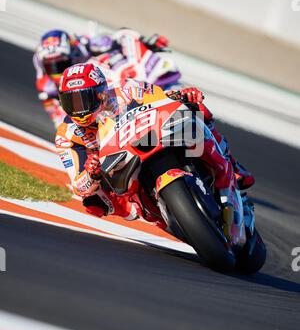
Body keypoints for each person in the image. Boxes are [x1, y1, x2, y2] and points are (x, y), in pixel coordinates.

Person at [55, 62, 254, 227]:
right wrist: (92, 173)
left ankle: (230, 164)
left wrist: (184, 96)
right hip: (118, 170)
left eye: (83, 100)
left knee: (196, 109)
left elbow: (164, 99)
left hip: (146, 139)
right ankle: (153, 209)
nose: (78, 109)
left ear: (100, 93)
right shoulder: (67, 134)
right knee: (93, 202)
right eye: (70, 102)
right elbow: (79, 186)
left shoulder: (127, 91)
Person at [34, 28, 179, 128]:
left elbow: (118, 37)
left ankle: (153, 91)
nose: (56, 71)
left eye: (61, 63)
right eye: (50, 66)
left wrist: (144, 42)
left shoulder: (85, 45)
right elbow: (60, 122)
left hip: (102, 81)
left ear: (73, 53)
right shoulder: (46, 85)